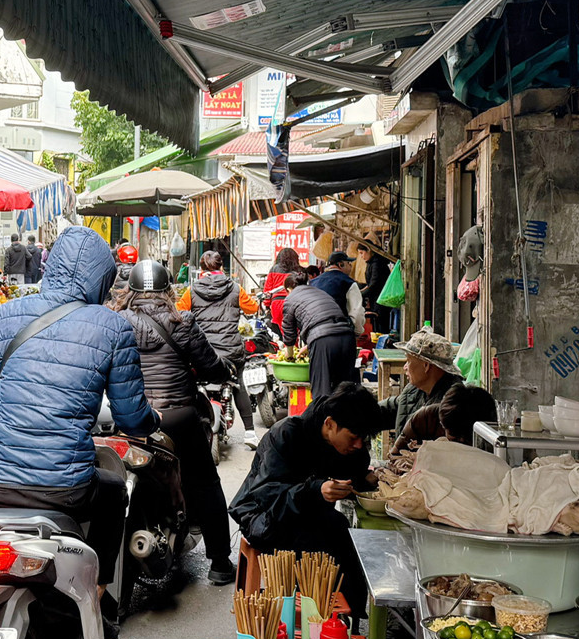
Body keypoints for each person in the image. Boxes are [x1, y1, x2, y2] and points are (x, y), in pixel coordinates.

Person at [0, 225, 156, 609]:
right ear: (103, 278)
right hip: (62, 490)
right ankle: (98, 594)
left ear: (52, 265)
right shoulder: (112, 327)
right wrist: (151, 422)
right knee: (112, 492)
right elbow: (130, 417)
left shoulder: (8, 313)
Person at [121, 260, 234, 585]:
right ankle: (220, 563)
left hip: (130, 418)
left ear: (131, 291)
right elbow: (211, 366)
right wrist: (222, 369)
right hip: (178, 416)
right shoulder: (181, 320)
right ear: (167, 289)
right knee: (205, 481)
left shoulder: (118, 321)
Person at [229, 382, 387, 611]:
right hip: (263, 516)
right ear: (330, 424)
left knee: (345, 537)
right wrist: (316, 490)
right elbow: (269, 496)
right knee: (319, 548)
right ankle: (311, 619)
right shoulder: (286, 434)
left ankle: (347, 619)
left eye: (364, 439)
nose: (359, 445)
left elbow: (353, 471)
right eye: (353, 437)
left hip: (304, 512)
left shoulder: (345, 443)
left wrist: (365, 480)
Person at [178, 249, 257, 430]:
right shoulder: (236, 288)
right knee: (238, 384)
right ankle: (250, 432)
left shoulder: (192, 290)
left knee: (189, 381)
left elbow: (179, 313)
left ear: (201, 268)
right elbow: (253, 308)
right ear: (221, 266)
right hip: (231, 350)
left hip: (202, 351)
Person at [281, 255, 359, 399]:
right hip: (347, 337)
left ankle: (322, 420)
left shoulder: (290, 299)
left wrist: (290, 355)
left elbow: (289, 332)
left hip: (323, 341)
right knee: (345, 392)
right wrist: (309, 346)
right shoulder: (319, 292)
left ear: (289, 288)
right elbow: (324, 320)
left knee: (321, 393)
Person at [385, 382, 498, 466]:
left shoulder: (489, 436)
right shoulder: (425, 418)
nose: (459, 444)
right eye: (454, 439)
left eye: (466, 440)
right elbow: (394, 456)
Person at [391, 329, 463, 438]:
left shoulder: (450, 406)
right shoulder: (414, 390)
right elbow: (390, 408)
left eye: (408, 361)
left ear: (426, 366)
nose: (405, 367)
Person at [358, 240, 391, 337]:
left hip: (381, 301)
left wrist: (360, 294)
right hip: (376, 300)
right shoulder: (371, 262)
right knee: (377, 330)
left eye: (362, 253)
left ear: (369, 250)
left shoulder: (377, 263)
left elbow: (374, 285)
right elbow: (369, 284)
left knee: (381, 330)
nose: (361, 256)